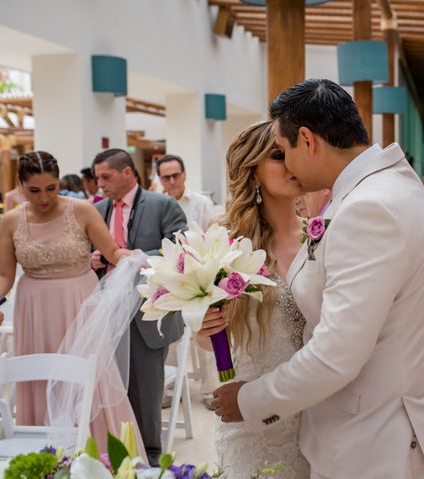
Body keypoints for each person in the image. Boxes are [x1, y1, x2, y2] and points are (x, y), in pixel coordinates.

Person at [211, 79, 424, 478]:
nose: (288, 167)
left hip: (369, 438)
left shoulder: (366, 208)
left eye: (284, 151)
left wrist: (250, 400)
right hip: (366, 426)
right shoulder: (388, 187)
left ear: (308, 139)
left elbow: (337, 353)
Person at [0, 151, 143, 453]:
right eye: (34, 190)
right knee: (39, 377)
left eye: (51, 188)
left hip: (79, 305)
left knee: (88, 380)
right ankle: (47, 460)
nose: (44, 198)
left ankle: (101, 456)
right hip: (33, 310)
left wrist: (136, 260)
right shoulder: (10, 221)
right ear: (20, 186)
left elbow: (112, 252)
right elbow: (4, 276)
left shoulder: (81, 210)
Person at [194, 121, 310, 478]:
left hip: (316, 408)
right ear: (253, 173)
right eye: (278, 156)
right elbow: (208, 337)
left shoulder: (319, 235)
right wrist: (203, 325)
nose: (291, 164)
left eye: (294, 153)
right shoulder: (223, 242)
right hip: (247, 410)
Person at [91, 149, 186, 465]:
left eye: (106, 176)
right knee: (109, 388)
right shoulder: (99, 209)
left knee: (145, 393)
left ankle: (151, 460)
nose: (100, 184)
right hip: (107, 312)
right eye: (97, 178)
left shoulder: (163, 205)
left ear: (128, 173)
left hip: (148, 313)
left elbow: (181, 252)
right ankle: (114, 456)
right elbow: (93, 250)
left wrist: (137, 258)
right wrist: (93, 260)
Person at [156, 153, 220, 410]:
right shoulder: (157, 204)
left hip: (200, 277)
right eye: (166, 177)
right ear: (160, 179)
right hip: (170, 279)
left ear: (184, 175)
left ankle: (211, 391)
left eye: (176, 175)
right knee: (170, 336)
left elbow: (212, 237)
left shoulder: (202, 204)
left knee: (205, 330)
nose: (172, 181)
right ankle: (169, 389)